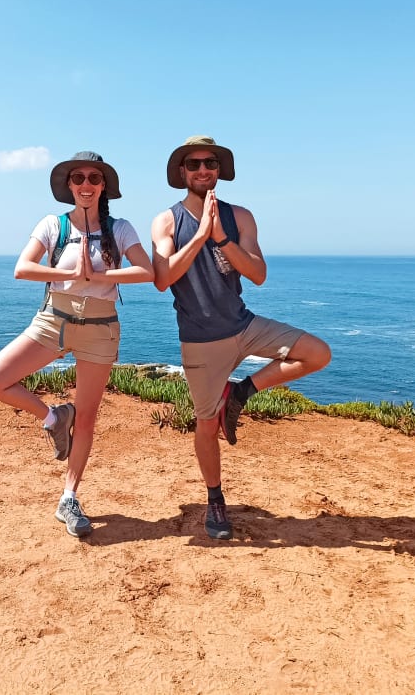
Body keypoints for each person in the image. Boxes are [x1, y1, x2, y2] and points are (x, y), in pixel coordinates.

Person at [151, 136, 332, 540]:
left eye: (210, 163)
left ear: (219, 170)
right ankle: (215, 500)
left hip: (243, 325)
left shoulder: (241, 217)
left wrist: (220, 238)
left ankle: (242, 392)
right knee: (205, 425)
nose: (203, 170)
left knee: (317, 353)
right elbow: (162, 280)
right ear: (182, 172)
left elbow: (258, 274)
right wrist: (199, 236)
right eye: (194, 164)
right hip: (200, 341)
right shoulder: (166, 221)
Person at [0, 151, 154, 538]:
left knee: (88, 416)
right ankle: (55, 417)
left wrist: (104, 273)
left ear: (103, 185)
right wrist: (72, 272)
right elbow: (23, 267)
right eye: (79, 178)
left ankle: (69, 497)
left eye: (94, 178)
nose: (86, 185)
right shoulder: (52, 224)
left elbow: (147, 270)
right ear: (69, 186)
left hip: (100, 326)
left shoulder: (119, 228)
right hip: (53, 321)